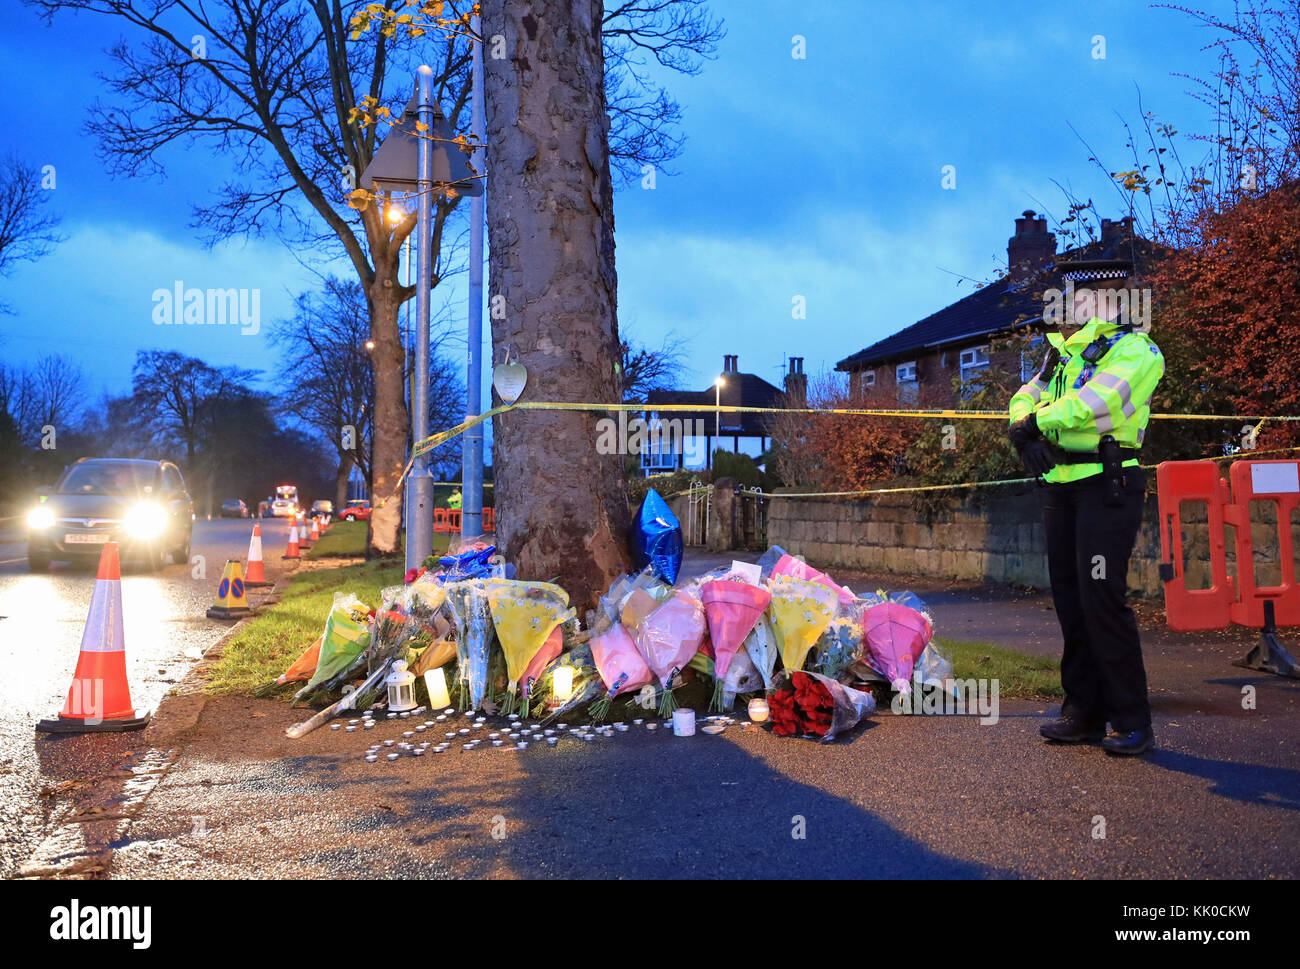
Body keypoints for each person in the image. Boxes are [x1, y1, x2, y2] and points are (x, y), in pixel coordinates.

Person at [1008, 257, 1164, 756]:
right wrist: (1022, 429)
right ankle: (1083, 714)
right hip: (1061, 483)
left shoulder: (1137, 351)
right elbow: (1023, 396)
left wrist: (1036, 424)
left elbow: (1096, 404)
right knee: (1071, 602)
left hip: (1107, 483)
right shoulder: (1061, 354)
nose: (1069, 303)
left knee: (1102, 600)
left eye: (1079, 295)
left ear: (1108, 298)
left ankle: (1132, 719)